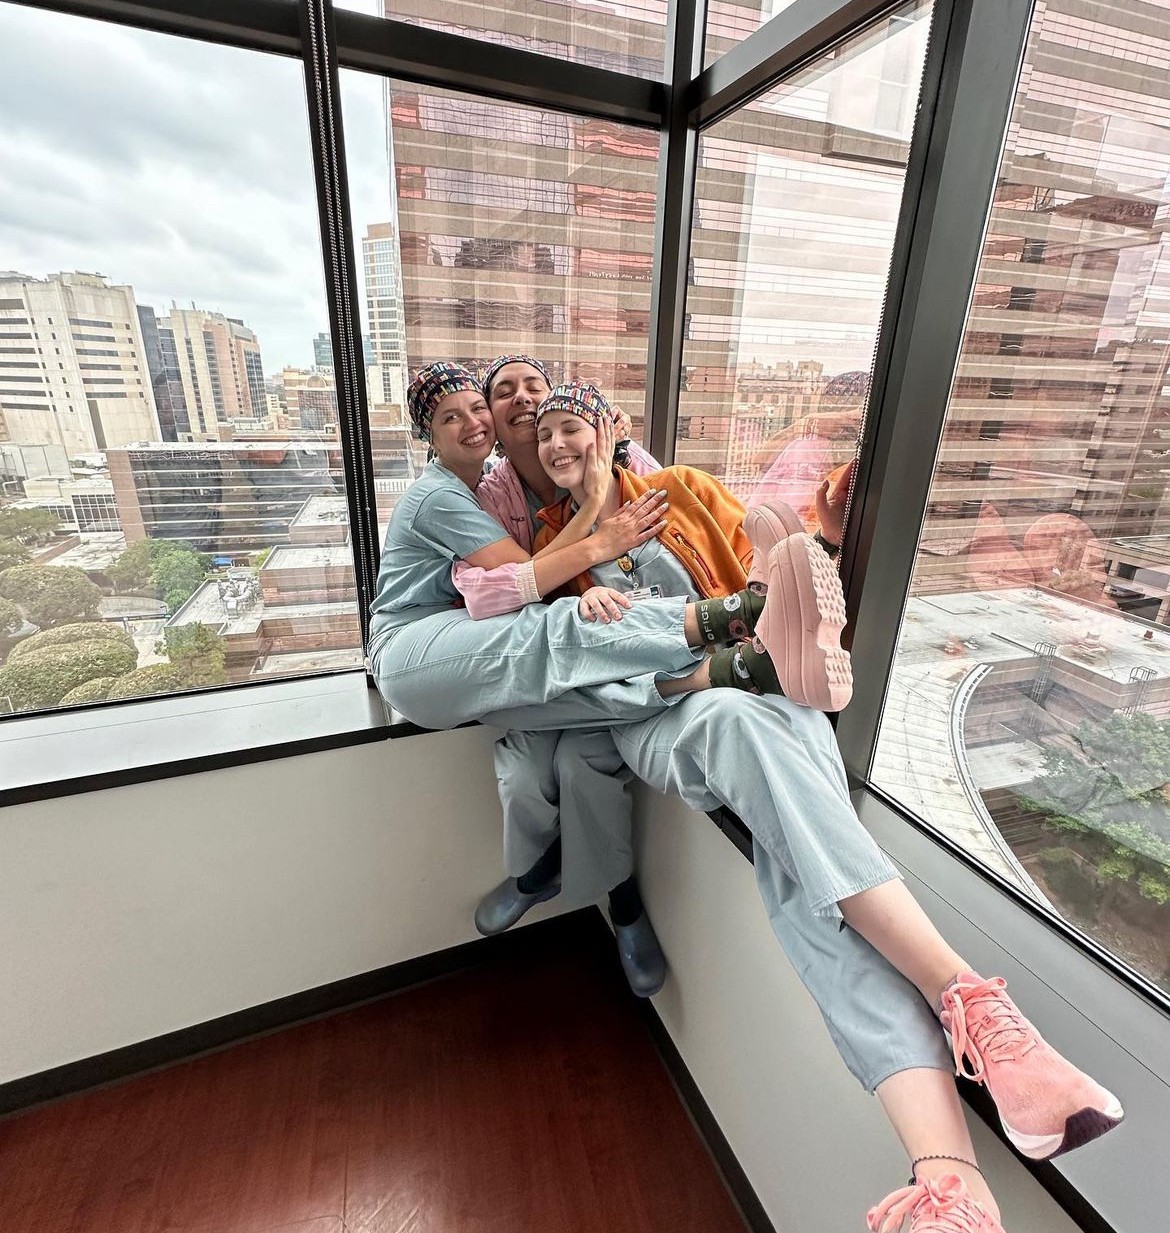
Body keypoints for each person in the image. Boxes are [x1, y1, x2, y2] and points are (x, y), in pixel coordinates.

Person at [456, 378, 1124, 1233]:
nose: (557, 444)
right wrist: (580, 574)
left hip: (765, 684)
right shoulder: (547, 546)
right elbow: (548, 662)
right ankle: (975, 1010)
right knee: (741, 719)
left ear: (610, 428)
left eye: (569, 425)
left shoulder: (683, 490)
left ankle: (951, 1184)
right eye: (544, 434)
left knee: (796, 848)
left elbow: (777, 574)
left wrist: (827, 537)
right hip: (656, 713)